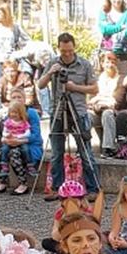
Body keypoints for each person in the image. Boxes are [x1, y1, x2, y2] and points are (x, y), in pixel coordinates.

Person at [37, 32, 100, 200]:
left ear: (74, 48)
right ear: (59, 48)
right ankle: (57, 188)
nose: (67, 54)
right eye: (64, 51)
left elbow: (94, 89)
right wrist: (50, 72)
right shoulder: (53, 62)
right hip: (57, 111)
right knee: (57, 153)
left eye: (70, 51)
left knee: (85, 152)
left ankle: (93, 188)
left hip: (78, 111)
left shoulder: (84, 64)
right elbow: (41, 85)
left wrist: (75, 87)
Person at [0, 93, 42, 196]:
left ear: (25, 99)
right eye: (14, 97)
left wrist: (19, 141)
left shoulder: (31, 113)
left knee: (14, 153)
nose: (17, 99)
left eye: (19, 97)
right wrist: (6, 139)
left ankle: (23, 183)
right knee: (1, 152)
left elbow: (35, 135)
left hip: (29, 144)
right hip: (12, 142)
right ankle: (3, 181)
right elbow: (5, 132)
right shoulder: (10, 114)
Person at [0, 60, 39, 149]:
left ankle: (21, 139)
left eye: (13, 71)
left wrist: (18, 106)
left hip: (26, 106)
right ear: (3, 72)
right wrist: (8, 107)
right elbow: (0, 98)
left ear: (17, 70)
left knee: (24, 115)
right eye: (7, 71)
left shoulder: (25, 77)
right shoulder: (1, 81)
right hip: (9, 106)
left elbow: (29, 96)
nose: (10, 74)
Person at [88, 52, 122, 158]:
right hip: (96, 110)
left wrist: (99, 99)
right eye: (107, 62)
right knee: (86, 116)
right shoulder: (97, 80)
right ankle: (84, 148)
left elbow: (117, 100)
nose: (110, 64)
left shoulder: (120, 79)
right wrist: (99, 100)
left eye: (113, 62)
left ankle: (109, 148)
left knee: (107, 114)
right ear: (102, 63)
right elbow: (89, 101)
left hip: (113, 111)